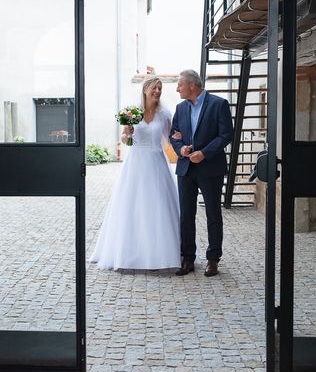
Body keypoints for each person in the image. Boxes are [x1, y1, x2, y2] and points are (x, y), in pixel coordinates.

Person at [90, 77, 181, 270]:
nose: (157, 91)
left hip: (157, 162)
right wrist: (127, 134)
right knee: (132, 205)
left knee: (159, 206)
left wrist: (181, 140)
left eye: (160, 88)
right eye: (154, 88)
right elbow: (123, 138)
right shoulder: (133, 112)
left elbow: (170, 138)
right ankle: (130, 253)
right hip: (136, 163)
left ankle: (162, 253)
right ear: (145, 89)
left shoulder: (164, 114)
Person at [170, 69, 233, 277]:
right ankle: (188, 258)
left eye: (180, 84)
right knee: (186, 215)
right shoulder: (180, 108)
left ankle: (213, 259)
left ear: (191, 85)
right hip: (186, 168)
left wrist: (204, 153)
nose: (177, 88)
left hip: (210, 167)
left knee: (213, 214)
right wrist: (181, 149)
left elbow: (226, 135)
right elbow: (174, 135)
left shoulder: (219, 104)